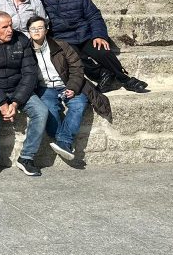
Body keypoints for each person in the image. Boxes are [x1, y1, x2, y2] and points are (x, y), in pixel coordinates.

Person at [39, 0, 148, 93]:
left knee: (103, 51)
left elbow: (94, 16)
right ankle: (103, 74)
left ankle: (125, 79)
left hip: (86, 35)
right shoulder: (42, 0)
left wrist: (99, 35)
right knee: (73, 57)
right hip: (64, 39)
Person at [0, 11, 48, 177]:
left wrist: (16, 102)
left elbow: (29, 74)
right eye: (5, 27)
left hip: (18, 89)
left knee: (41, 112)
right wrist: (3, 103)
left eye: (11, 25)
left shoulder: (21, 41)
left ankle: (26, 157)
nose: (10, 30)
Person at [25, 15, 110, 163]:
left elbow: (77, 67)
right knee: (49, 110)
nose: (37, 31)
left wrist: (72, 87)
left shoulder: (61, 45)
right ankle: (63, 141)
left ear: (46, 29)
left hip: (67, 84)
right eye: (33, 29)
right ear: (28, 32)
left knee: (78, 104)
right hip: (45, 88)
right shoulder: (25, 50)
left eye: (40, 28)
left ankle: (63, 142)